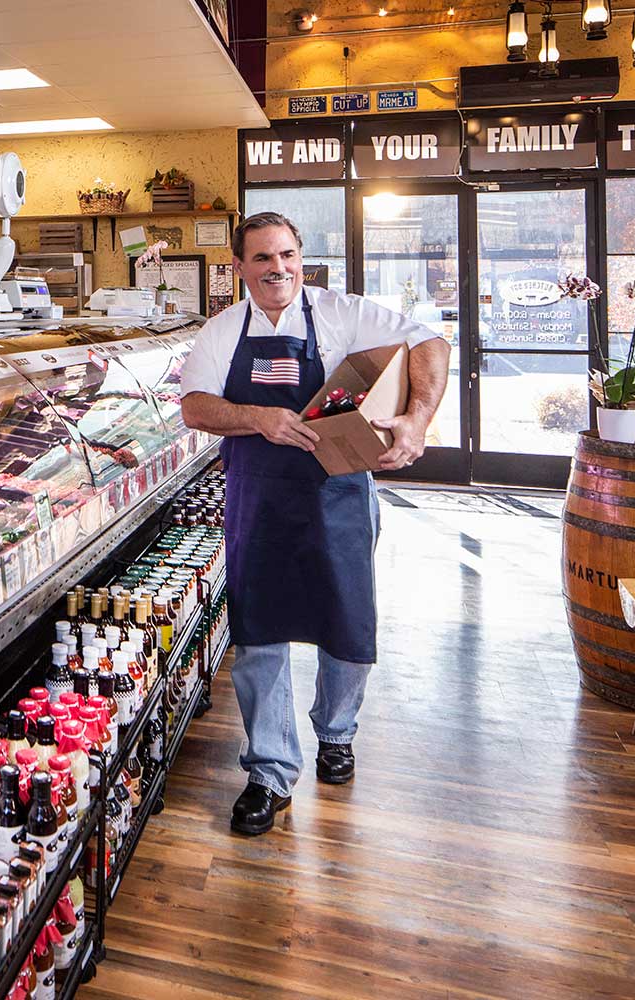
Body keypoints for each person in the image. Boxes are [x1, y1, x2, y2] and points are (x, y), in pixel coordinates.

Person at [179, 212, 450, 836]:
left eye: (288, 255)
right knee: (259, 630)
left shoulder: (342, 313)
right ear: (240, 267)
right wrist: (259, 419)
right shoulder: (223, 330)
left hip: (339, 493)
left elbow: (431, 340)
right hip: (259, 497)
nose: (279, 269)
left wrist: (417, 419)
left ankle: (336, 732)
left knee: (346, 619)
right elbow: (195, 406)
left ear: (302, 255)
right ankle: (270, 772)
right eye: (263, 259)